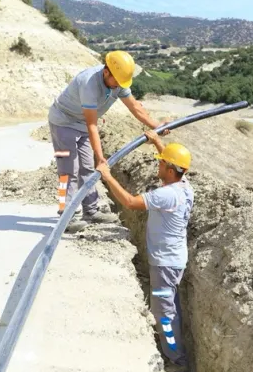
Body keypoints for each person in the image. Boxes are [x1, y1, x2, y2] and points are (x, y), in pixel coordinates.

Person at [97, 130, 194, 371]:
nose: (158, 165)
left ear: (170, 170)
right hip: (173, 260)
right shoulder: (184, 185)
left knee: (165, 315)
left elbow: (130, 202)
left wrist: (108, 177)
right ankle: (175, 352)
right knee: (169, 307)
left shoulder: (166, 195)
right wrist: (159, 143)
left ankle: (176, 360)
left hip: (165, 264)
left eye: (161, 163)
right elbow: (173, 162)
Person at [48, 50, 166, 230]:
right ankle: (66, 215)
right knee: (68, 170)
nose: (119, 85)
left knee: (87, 168)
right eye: (116, 81)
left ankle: (91, 210)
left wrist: (156, 125)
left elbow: (135, 107)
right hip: (63, 122)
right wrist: (101, 156)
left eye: (121, 83)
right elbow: (92, 125)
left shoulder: (118, 80)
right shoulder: (89, 84)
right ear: (106, 72)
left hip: (81, 124)